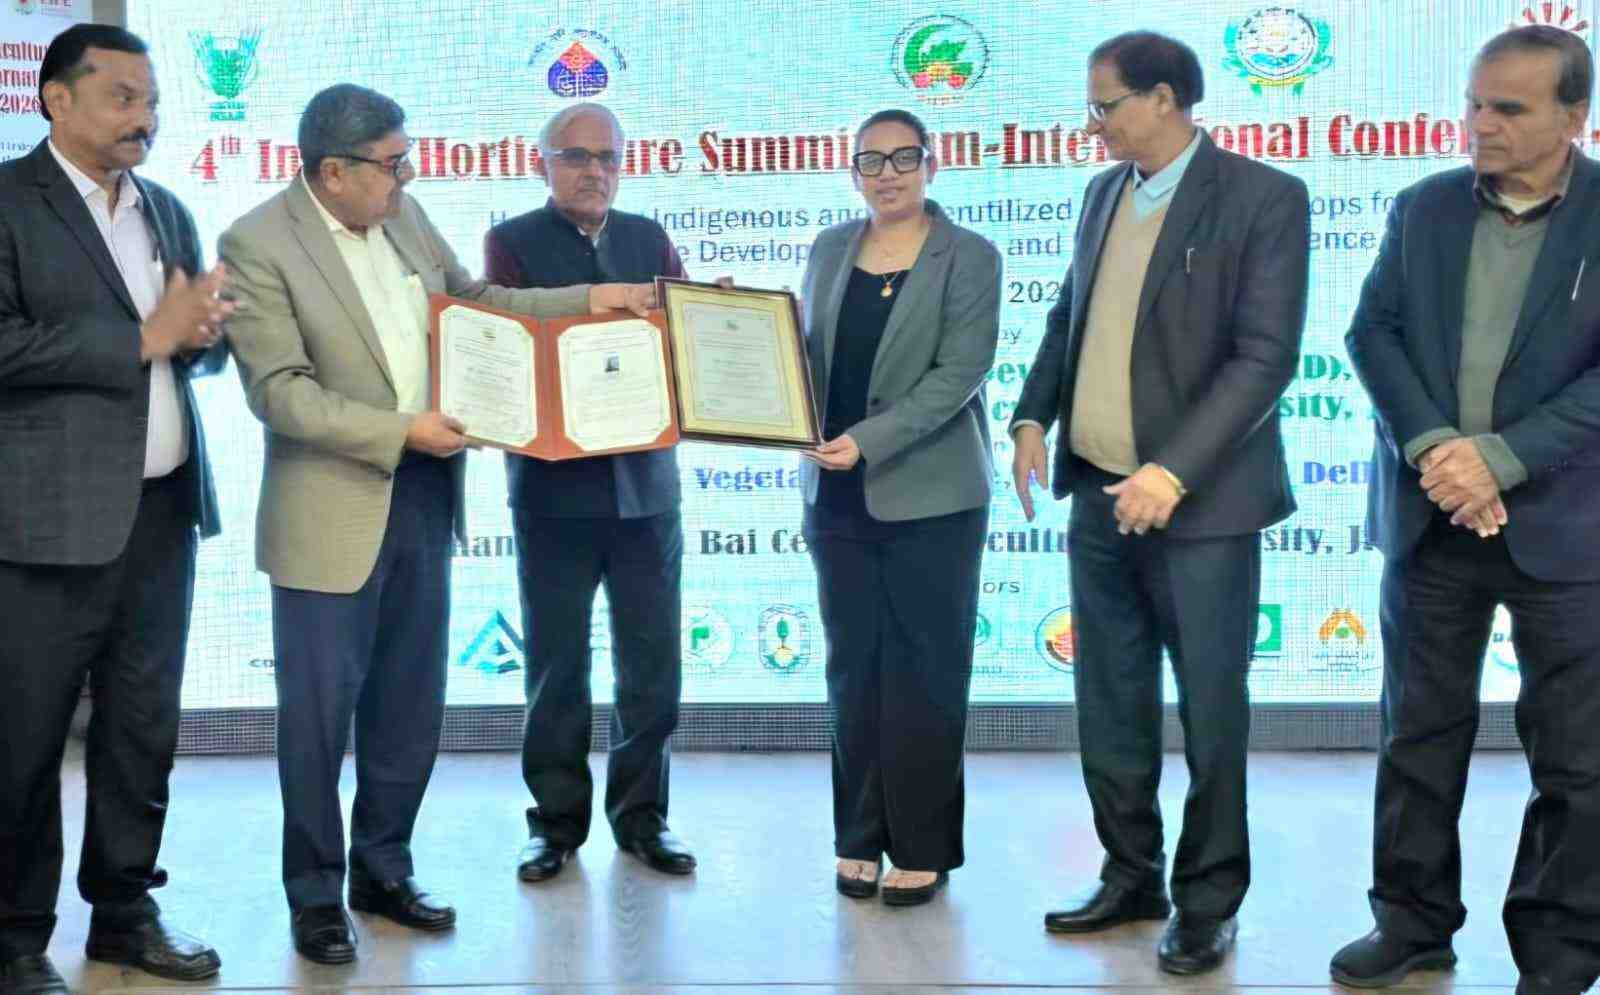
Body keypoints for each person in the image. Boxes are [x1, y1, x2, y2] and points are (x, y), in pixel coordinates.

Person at [219, 83, 652, 966]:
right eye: (392, 163)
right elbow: (281, 394)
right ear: (332, 172)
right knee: (317, 719)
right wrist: (400, 430)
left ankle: (384, 868)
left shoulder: (403, 216)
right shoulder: (257, 243)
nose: (408, 176)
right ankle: (314, 895)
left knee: (408, 703)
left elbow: (476, 301)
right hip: (331, 509)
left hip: (424, 493)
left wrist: (595, 298)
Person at [1009, 31, 1307, 974]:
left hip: (1202, 511)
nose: (1093, 123)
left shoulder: (1264, 197)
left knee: (1212, 712)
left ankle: (1208, 901)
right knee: (1110, 701)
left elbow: (1264, 358)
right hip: (1098, 496)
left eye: (1106, 105)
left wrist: (1171, 473)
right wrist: (1031, 414)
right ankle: (1129, 873)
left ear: (1166, 98)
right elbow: (1069, 314)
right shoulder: (1104, 193)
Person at [1332, 26, 1600, 995]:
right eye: (1474, 103)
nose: (1479, 124)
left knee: (1577, 759)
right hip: (1430, 517)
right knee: (1416, 737)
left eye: (1508, 109)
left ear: (1575, 117)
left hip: (1569, 530)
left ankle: (1560, 953)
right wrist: (1436, 450)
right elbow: (1374, 333)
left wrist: (1498, 458)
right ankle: (1410, 925)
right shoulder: (1424, 207)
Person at [0, 24, 232, 995]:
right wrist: (140, 338)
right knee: (24, 739)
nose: (146, 117)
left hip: (160, 517)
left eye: (152, 101)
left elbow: (187, 350)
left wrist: (207, 334)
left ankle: (124, 914)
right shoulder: (9, 203)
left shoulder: (165, 209)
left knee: (142, 731)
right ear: (58, 99)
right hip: (43, 526)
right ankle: (15, 937)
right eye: (123, 98)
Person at [484, 103, 697, 881]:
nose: (594, 171)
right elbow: (507, 346)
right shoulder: (511, 243)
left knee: (652, 669)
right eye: (575, 156)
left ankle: (643, 819)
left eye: (608, 157)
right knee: (556, 669)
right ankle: (555, 825)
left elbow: (683, 341)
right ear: (540, 163)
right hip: (554, 494)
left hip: (647, 491)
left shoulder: (649, 238)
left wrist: (718, 321)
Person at [799, 108, 1000, 908]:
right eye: (871, 160)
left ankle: (921, 845)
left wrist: (868, 440)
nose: (887, 174)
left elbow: (960, 374)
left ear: (931, 164)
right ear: (852, 171)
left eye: (904, 157)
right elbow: (805, 355)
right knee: (852, 668)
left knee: (926, 671)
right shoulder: (829, 248)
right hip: (834, 492)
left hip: (934, 497)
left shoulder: (970, 255)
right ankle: (857, 836)